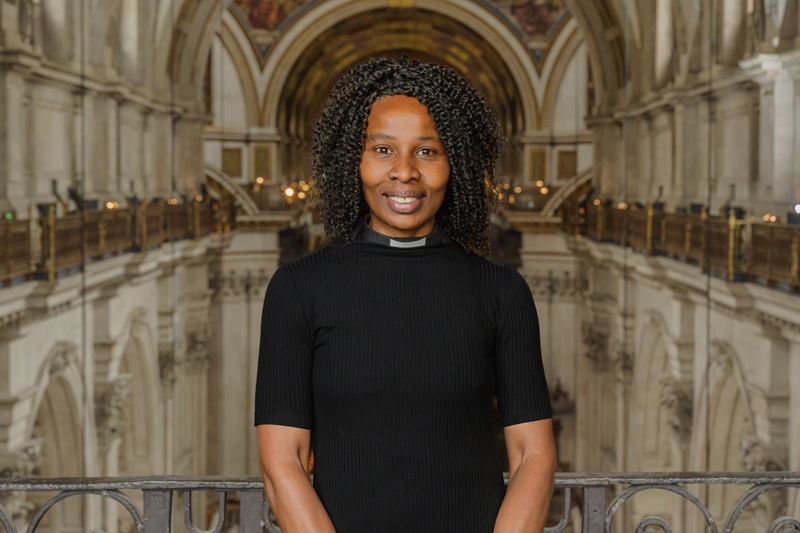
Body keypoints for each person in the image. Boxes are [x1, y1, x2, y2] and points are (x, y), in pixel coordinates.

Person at [254, 55, 556, 532]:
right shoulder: (297, 290)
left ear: (454, 163)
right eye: (382, 150)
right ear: (353, 161)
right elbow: (281, 463)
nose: (404, 172)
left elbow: (532, 456)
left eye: (427, 151)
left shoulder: (502, 292)